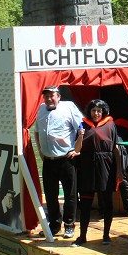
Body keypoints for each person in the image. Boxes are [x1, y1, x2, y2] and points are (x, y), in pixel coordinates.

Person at [33, 85, 84, 238]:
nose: (49, 99)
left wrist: (77, 149)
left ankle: (69, 225)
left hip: (66, 159)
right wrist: (40, 150)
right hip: (48, 160)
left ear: (58, 96)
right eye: (46, 96)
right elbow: (36, 131)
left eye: (52, 96)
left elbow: (81, 129)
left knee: (70, 194)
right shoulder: (41, 109)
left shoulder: (68, 108)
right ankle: (54, 225)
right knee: (50, 194)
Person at [76, 100, 122, 245]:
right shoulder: (82, 125)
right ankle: (82, 236)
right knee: (85, 203)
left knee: (107, 202)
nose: (96, 113)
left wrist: (119, 171)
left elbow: (116, 149)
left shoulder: (110, 124)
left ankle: (106, 236)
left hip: (106, 165)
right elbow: (77, 150)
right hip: (87, 165)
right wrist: (80, 136)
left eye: (99, 111)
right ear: (89, 111)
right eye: (93, 110)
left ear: (103, 112)